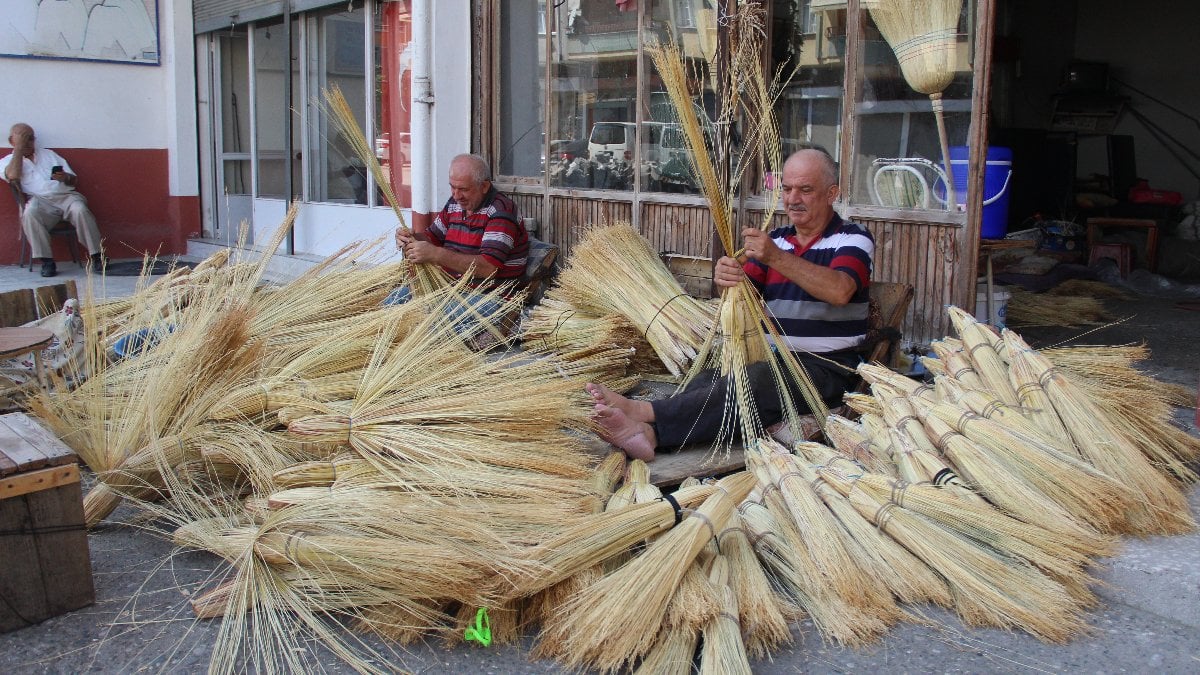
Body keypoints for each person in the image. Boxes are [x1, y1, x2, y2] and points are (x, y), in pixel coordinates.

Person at [587, 148, 874, 460]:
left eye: (805, 190)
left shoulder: (852, 238)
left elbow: (840, 290)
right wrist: (729, 278)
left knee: (753, 383)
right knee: (709, 379)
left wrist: (775, 258)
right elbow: (745, 294)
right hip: (775, 358)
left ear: (832, 193)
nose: (793, 199)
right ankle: (652, 434)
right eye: (787, 189)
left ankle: (641, 413)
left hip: (828, 366)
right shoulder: (776, 240)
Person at [387, 153, 530, 341]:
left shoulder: (501, 211)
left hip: (491, 297)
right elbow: (432, 238)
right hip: (452, 289)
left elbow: (488, 267)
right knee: (394, 301)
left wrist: (436, 255)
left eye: (463, 189)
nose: (456, 195)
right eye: (452, 187)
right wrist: (411, 238)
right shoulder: (455, 204)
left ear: (484, 186)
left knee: (425, 317)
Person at [3, 123, 104, 277]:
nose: (28, 142)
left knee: (80, 210)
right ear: (12, 141)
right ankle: (47, 262)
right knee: (30, 213)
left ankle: (97, 256)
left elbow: (73, 180)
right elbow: (13, 176)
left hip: (66, 196)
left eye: (31, 138)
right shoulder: (7, 161)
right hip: (41, 201)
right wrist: (18, 149)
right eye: (24, 139)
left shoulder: (49, 155)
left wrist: (65, 177)